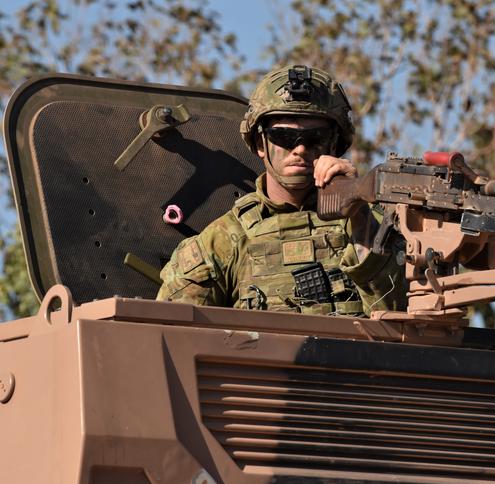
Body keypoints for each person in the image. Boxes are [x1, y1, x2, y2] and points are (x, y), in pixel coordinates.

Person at [157, 65, 406, 316]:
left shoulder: (377, 227)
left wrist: (358, 213)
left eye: (315, 137)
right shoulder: (220, 243)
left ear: (334, 143)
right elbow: (170, 333)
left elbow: (401, 320)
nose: (299, 150)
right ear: (259, 143)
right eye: (284, 137)